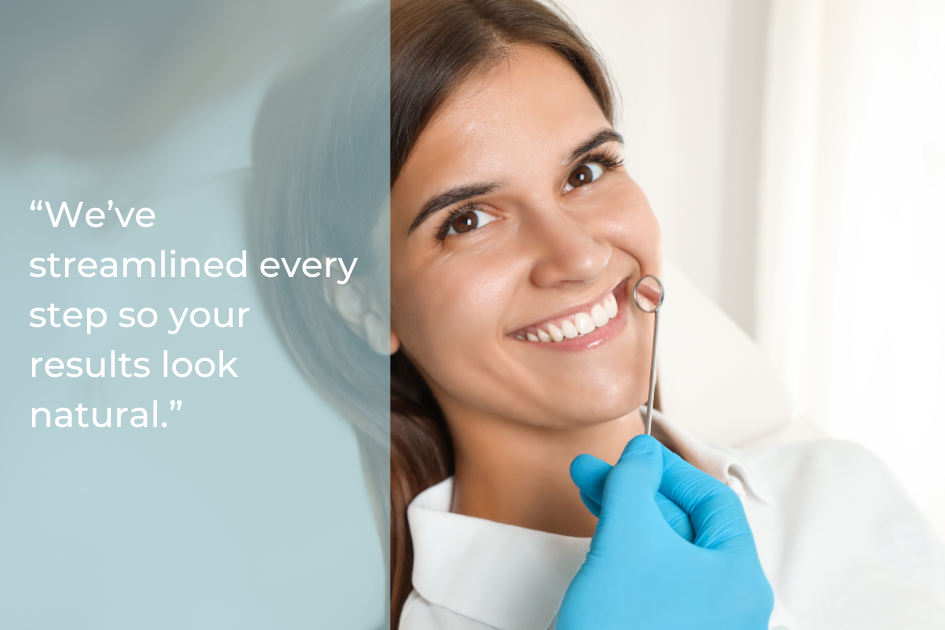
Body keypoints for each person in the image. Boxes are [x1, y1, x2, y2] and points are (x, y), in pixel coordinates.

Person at [249, 1, 945, 628]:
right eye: (468, 219)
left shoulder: (838, 492)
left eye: (585, 172)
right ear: (366, 303)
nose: (577, 256)